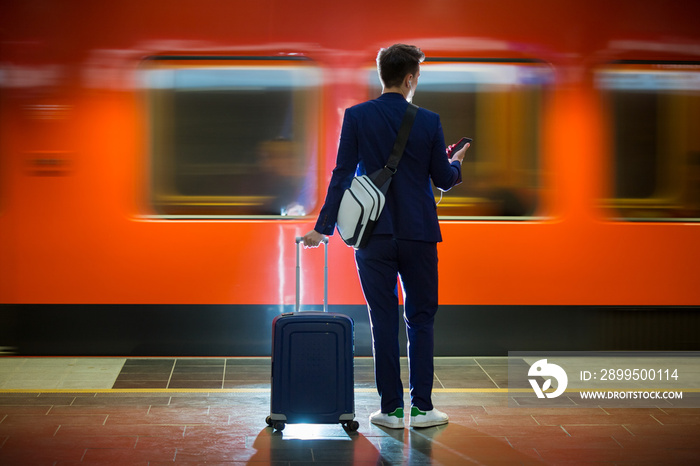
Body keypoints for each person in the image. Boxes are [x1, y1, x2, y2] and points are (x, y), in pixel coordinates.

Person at [303, 44, 469, 429]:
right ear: (411, 78)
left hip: (373, 235)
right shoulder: (427, 121)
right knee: (421, 319)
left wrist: (323, 228)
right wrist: (456, 163)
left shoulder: (358, 116)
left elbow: (342, 175)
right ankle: (423, 409)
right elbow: (442, 179)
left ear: (383, 75)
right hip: (419, 235)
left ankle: (391, 410)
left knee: (382, 319)